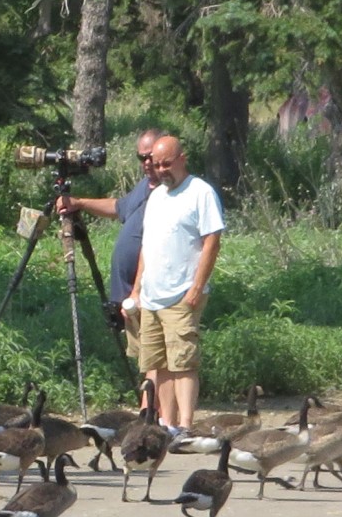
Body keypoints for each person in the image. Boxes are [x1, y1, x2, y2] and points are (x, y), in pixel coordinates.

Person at [126, 135, 223, 433]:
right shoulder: (156, 197)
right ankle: (167, 424)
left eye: (167, 164)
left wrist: (196, 288)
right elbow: (147, 247)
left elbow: (212, 241)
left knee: (183, 362)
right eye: (156, 165)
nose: (161, 170)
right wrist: (137, 290)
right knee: (159, 364)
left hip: (182, 294)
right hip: (151, 297)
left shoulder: (200, 192)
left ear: (183, 158)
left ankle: (185, 426)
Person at [56, 129, 164, 348]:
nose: (146, 163)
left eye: (150, 157)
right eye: (141, 157)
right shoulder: (145, 185)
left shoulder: (169, 193)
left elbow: (156, 250)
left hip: (146, 296)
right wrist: (79, 203)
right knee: (141, 355)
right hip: (128, 299)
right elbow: (118, 207)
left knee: (155, 356)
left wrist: (137, 291)